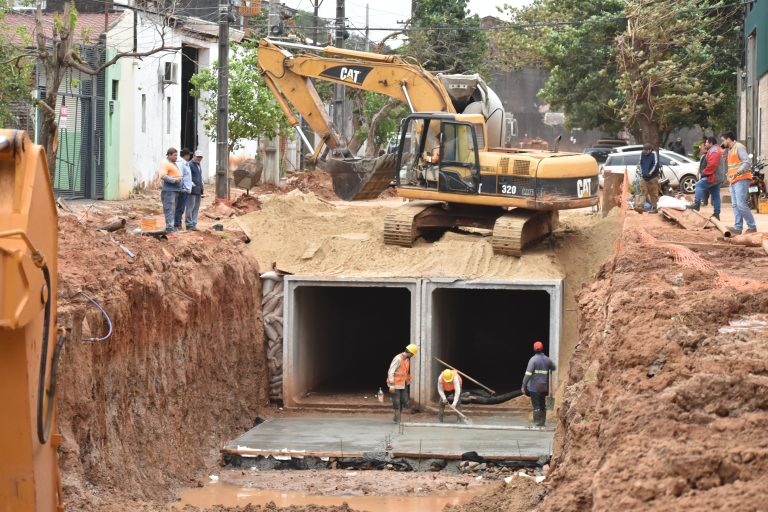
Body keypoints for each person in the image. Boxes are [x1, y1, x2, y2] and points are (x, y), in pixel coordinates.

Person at [722, 131, 757, 234]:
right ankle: (738, 228)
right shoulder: (730, 150)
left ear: (728, 139)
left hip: (741, 179)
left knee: (741, 204)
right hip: (733, 180)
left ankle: (752, 226)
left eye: (723, 140)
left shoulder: (739, 147)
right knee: (735, 205)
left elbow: (747, 162)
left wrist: (738, 172)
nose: (723, 142)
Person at [521, 341, 556, 427]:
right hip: (544, 387)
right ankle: (542, 422)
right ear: (542, 348)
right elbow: (554, 367)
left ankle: (537, 422)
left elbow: (528, 374)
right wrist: (549, 366)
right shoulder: (547, 359)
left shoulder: (533, 360)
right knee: (542, 405)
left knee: (536, 405)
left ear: (534, 349)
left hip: (534, 387)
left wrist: (523, 385)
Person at [687, 136, 723, 219]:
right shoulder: (716, 149)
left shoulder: (714, 151)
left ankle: (696, 204)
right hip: (718, 177)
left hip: (713, 176)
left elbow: (713, 164)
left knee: (698, 185)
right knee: (715, 195)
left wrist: (705, 172)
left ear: (710, 143)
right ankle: (716, 214)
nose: (705, 144)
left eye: (706, 142)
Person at [386, 344, 418, 423]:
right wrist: (392, 385)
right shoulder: (398, 359)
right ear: (410, 353)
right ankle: (397, 420)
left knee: (404, 401)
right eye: (413, 354)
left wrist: (407, 381)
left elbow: (404, 372)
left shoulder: (407, 359)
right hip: (395, 385)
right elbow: (391, 371)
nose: (413, 356)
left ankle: (397, 417)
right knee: (396, 402)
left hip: (403, 384)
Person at [160, 148, 182, 232]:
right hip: (169, 191)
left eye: (177, 155)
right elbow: (163, 176)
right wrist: (174, 180)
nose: (176, 157)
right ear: (169, 155)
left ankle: (171, 227)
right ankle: (169, 228)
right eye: (175, 155)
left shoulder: (173, 163)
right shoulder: (165, 163)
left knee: (173, 209)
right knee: (169, 209)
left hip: (175, 190)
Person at [636, 143, 659, 213]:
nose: (645, 152)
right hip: (644, 176)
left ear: (650, 150)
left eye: (646, 151)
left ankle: (655, 208)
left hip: (652, 177)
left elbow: (655, 164)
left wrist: (649, 173)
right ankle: (641, 207)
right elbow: (640, 163)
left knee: (653, 193)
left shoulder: (654, 154)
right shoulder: (642, 154)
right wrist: (642, 173)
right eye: (644, 150)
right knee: (643, 191)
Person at [174, 148, 193, 230]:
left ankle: (178, 224)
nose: (189, 157)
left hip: (185, 189)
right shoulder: (181, 163)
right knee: (180, 208)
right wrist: (182, 188)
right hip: (183, 189)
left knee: (180, 208)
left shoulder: (184, 163)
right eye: (189, 155)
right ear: (186, 155)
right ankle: (177, 225)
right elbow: (180, 176)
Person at [186, 150, 204, 231]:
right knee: (190, 207)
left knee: (196, 207)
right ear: (194, 156)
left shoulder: (199, 165)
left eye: (200, 157)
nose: (199, 158)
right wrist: (190, 183)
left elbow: (199, 177)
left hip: (198, 189)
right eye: (197, 157)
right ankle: (189, 224)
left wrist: (202, 186)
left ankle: (194, 223)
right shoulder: (189, 164)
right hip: (192, 189)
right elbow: (186, 176)